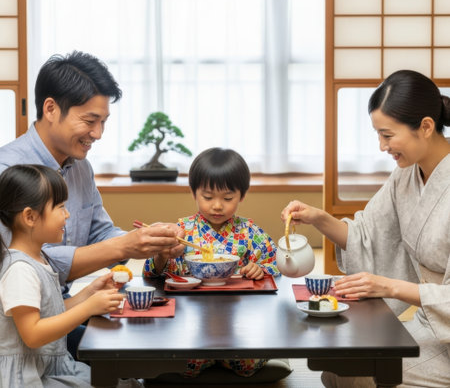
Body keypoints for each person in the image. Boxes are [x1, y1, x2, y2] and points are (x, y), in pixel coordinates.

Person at [0, 51, 185, 359]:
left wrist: (149, 243)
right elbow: (19, 260)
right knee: (131, 357)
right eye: (90, 121)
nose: (98, 134)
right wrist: (124, 247)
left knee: (155, 343)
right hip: (19, 332)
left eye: (103, 122)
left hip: (63, 308)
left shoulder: (80, 167)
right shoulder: (8, 171)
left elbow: (101, 231)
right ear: (50, 108)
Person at [281, 69, 450, 388]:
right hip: (430, 324)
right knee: (337, 363)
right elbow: (368, 238)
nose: (382, 146)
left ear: (425, 127)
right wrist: (318, 217)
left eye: (388, 135)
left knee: (357, 374)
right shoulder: (407, 174)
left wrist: (388, 287)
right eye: (378, 135)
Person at [143, 147, 279, 378]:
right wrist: (162, 255)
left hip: (238, 320)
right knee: (185, 364)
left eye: (227, 198)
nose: (217, 205)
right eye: (208, 197)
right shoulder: (181, 230)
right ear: (194, 193)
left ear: (242, 196)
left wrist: (260, 269)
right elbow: (151, 274)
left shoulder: (249, 232)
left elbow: (274, 264)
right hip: (191, 319)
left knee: (247, 365)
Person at [0, 164, 125, 387]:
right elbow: (33, 334)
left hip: (51, 367)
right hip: (29, 378)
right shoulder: (20, 269)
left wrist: (89, 293)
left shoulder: (39, 259)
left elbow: (50, 313)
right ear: (30, 217)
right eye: (60, 207)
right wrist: (89, 308)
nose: (67, 214)